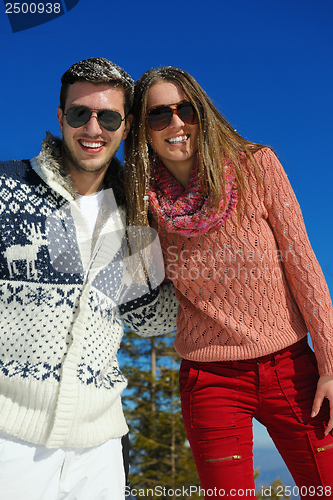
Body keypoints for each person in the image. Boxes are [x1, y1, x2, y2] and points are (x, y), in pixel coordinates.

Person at [125, 66, 333, 499]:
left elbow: (304, 266)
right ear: (142, 130)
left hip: (292, 370)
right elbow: (143, 291)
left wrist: (330, 361)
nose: (176, 123)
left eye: (187, 110)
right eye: (159, 115)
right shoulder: (140, 204)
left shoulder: (257, 166)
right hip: (210, 380)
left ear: (203, 112)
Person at [0, 58, 178, 500]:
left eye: (109, 117)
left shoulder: (135, 214)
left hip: (99, 448)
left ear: (127, 125)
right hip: (9, 438)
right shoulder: (7, 188)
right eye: (80, 113)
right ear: (61, 118)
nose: (93, 128)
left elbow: (151, 317)